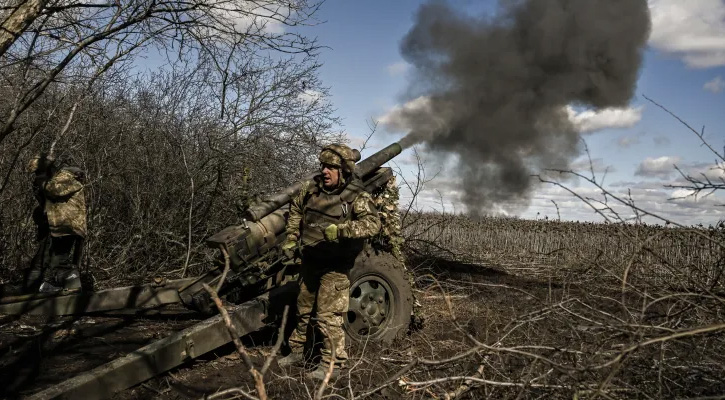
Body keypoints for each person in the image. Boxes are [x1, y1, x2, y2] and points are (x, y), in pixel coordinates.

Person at [278, 144, 381, 380]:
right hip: (311, 259)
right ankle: (298, 352)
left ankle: (333, 365)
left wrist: (344, 230)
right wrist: (292, 238)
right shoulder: (311, 188)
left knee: (328, 317)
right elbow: (295, 209)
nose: (325, 171)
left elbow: (373, 224)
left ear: (343, 170)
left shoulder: (357, 196)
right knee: (303, 310)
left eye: (331, 167)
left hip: (336, 265)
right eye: (323, 166)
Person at [24, 153, 86, 292]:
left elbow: (54, 190)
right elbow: (44, 204)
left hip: (66, 226)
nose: (37, 176)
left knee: (59, 261)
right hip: (55, 226)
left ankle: (71, 285)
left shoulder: (66, 176)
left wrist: (41, 182)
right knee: (41, 260)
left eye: (39, 172)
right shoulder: (48, 180)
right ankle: (33, 288)